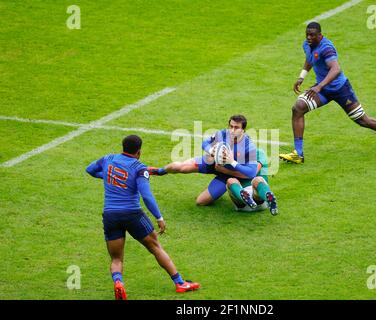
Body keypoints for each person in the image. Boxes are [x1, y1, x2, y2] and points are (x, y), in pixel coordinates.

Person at [279, 22, 376, 164]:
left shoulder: (327, 48)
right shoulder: (307, 45)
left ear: (320, 35)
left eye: (312, 35)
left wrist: (319, 86)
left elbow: (335, 69)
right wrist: (301, 76)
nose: (308, 37)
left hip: (341, 90)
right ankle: (298, 154)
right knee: (298, 108)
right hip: (323, 90)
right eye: (307, 34)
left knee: (363, 120)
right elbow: (310, 58)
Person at [86, 135, 200, 300]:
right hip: (132, 215)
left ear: (122, 147)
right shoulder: (138, 167)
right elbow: (146, 196)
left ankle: (118, 283)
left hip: (110, 215)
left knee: (117, 258)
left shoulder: (107, 159)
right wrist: (159, 217)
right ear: (139, 152)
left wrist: (110, 178)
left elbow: (89, 169)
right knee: (155, 247)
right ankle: (180, 283)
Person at [149, 115, 258, 206]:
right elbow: (204, 143)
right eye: (231, 126)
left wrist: (232, 162)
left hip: (227, 175)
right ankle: (159, 171)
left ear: (243, 130)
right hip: (211, 162)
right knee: (179, 167)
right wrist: (212, 151)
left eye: (236, 127)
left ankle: (228, 189)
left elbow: (252, 172)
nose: (233, 130)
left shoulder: (249, 146)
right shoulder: (222, 133)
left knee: (200, 202)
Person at [225, 148, 278, 215]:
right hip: (259, 202)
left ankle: (245, 197)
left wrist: (226, 168)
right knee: (257, 180)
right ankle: (267, 196)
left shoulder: (258, 153)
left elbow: (251, 174)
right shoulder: (258, 153)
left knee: (231, 181)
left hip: (243, 205)